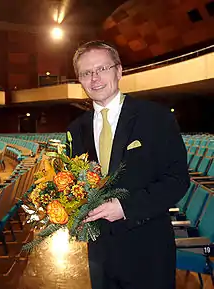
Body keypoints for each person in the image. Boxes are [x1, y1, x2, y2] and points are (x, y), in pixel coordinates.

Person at [67, 40, 190, 289]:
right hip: (100, 254)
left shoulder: (156, 118)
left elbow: (177, 180)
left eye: (102, 68)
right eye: (86, 73)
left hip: (148, 249)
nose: (95, 78)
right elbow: (77, 186)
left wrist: (126, 207)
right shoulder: (75, 129)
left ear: (119, 71)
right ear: (79, 80)